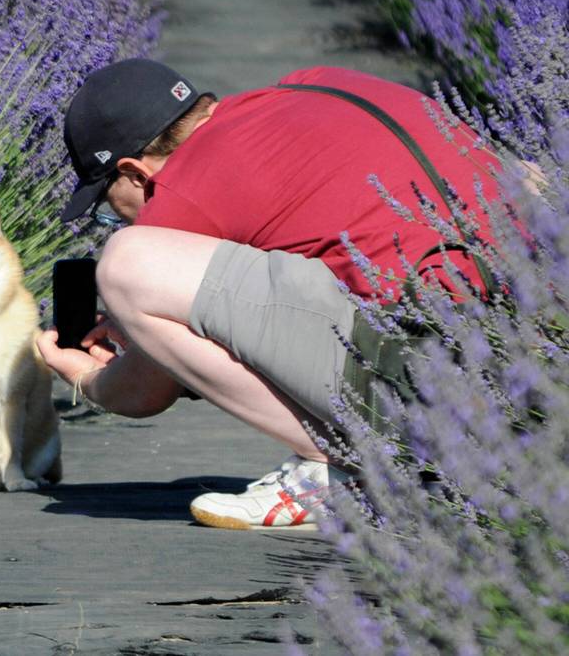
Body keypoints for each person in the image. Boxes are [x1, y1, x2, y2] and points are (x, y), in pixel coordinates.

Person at [35, 58, 501, 529]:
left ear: (135, 172)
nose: (127, 219)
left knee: (126, 265)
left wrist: (87, 379)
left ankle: (360, 465)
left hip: (436, 377)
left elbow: (143, 393)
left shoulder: (185, 183)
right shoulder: (318, 84)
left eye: (111, 210)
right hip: (529, 354)